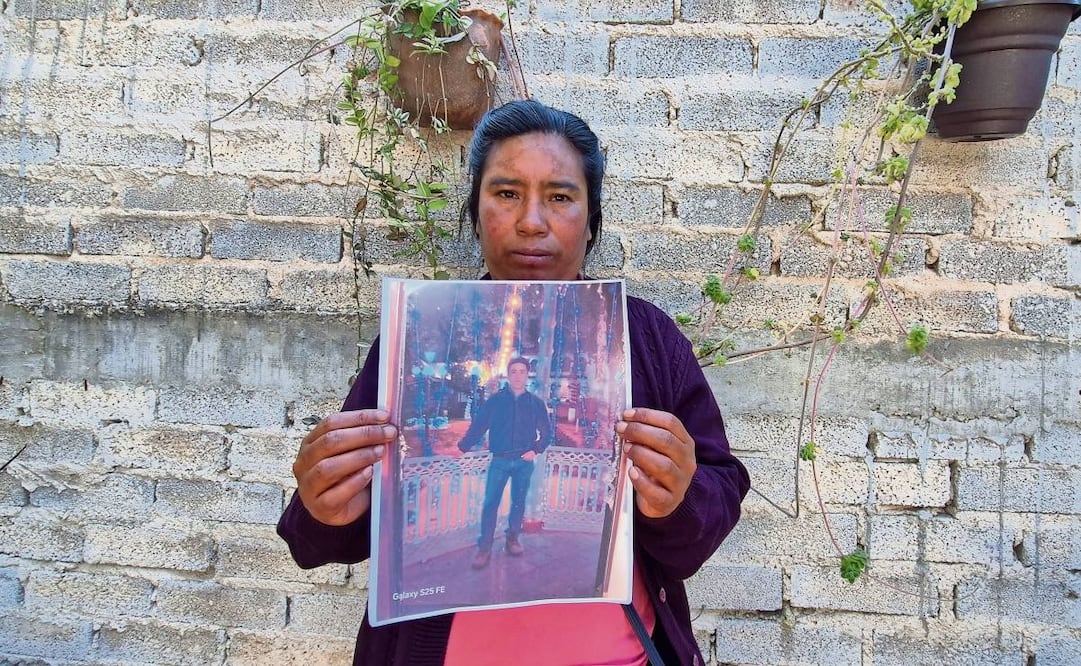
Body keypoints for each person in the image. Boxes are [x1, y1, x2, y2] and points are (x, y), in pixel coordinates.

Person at [278, 99, 751, 666]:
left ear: (591, 215)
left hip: (622, 654)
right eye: (506, 193)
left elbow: (719, 491)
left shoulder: (645, 338)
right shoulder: (415, 333)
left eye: (559, 196)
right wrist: (324, 504)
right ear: (476, 210)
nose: (532, 220)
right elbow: (325, 531)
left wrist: (679, 496)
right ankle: (488, 544)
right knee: (491, 511)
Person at [456, 356, 551, 569]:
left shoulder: (536, 404)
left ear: (528, 375)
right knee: (490, 503)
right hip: (499, 461)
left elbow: (546, 433)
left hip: (523, 463)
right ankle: (485, 547)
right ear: (508, 375)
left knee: (518, 503)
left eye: (522, 371)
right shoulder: (496, 400)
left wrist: (535, 449)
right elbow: (478, 425)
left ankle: (512, 539)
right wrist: (462, 447)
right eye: (514, 371)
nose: (518, 375)